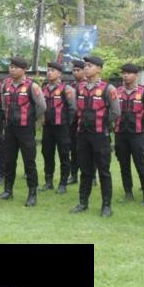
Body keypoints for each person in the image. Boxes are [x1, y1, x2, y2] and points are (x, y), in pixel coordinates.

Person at [0, 57, 46, 206]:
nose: (12, 69)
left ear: (24, 70)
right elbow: (3, 105)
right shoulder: (5, 86)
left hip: (26, 130)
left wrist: (31, 119)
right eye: (11, 67)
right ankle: (7, 191)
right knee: (9, 160)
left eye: (15, 67)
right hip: (10, 129)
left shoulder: (32, 86)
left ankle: (32, 193)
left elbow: (41, 106)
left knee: (29, 162)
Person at [70, 56, 120, 217]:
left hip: (100, 135)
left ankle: (106, 205)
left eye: (90, 66)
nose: (86, 68)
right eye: (85, 66)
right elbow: (76, 108)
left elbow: (116, 112)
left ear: (99, 69)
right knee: (85, 170)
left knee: (104, 171)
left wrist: (103, 122)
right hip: (83, 134)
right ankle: (83, 202)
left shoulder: (108, 89)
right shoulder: (80, 87)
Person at [114, 63, 144, 206]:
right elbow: (112, 111)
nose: (125, 75)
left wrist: (142, 125)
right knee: (123, 164)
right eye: (124, 73)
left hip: (137, 135)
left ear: (136, 75)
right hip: (120, 133)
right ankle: (128, 193)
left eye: (129, 73)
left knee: (141, 165)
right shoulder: (117, 91)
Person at [41, 62, 76, 194]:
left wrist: (67, 123)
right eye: (48, 70)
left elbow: (73, 108)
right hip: (47, 127)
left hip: (62, 127)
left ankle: (63, 183)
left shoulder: (66, 89)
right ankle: (48, 181)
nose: (49, 73)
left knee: (64, 155)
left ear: (59, 74)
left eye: (52, 70)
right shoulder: (43, 88)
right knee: (47, 154)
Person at [67, 59, 86, 185]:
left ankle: (92, 175)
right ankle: (73, 175)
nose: (75, 72)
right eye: (74, 70)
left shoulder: (88, 85)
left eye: (78, 70)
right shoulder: (71, 86)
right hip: (73, 122)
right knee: (73, 149)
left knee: (88, 150)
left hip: (86, 122)